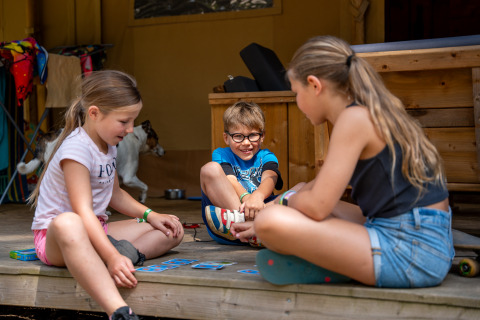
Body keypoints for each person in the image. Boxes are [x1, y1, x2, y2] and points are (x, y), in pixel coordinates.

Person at [230, 35, 454, 288]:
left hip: (410, 255)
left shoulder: (353, 119)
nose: (298, 103)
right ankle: (339, 260)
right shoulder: (371, 111)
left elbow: (316, 208)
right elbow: (317, 190)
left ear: (314, 85)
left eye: (296, 93)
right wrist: (293, 199)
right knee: (301, 193)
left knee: (271, 221)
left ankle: (334, 264)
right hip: (425, 243)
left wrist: (285, 204)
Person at [29, 70, 184, 319]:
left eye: (133, 121)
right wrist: (111, 256)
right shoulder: (76, 149)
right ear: (94, 113)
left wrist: (151, 214)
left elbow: (116, 195)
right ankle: (119, 311)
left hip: (96, 230)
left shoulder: (109, 144)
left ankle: (107, 258)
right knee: (70, 221)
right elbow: (83, 211)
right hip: (58, 238)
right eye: (124, 121)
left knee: (173, 229)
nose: (131, 129)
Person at [200, 101, 283, 245]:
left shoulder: (267, 156)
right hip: (232, 218)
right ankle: (252, 226)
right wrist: (247, 198)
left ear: (262, 136)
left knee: (302, 188)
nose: (246, 142)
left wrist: (257, 197)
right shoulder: (222, 154)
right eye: (238, 136)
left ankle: (255, 227)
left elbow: (270, 178)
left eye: (252, 135)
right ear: (226, 138)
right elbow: (231, 180)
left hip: (260, 208)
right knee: (209, 169)